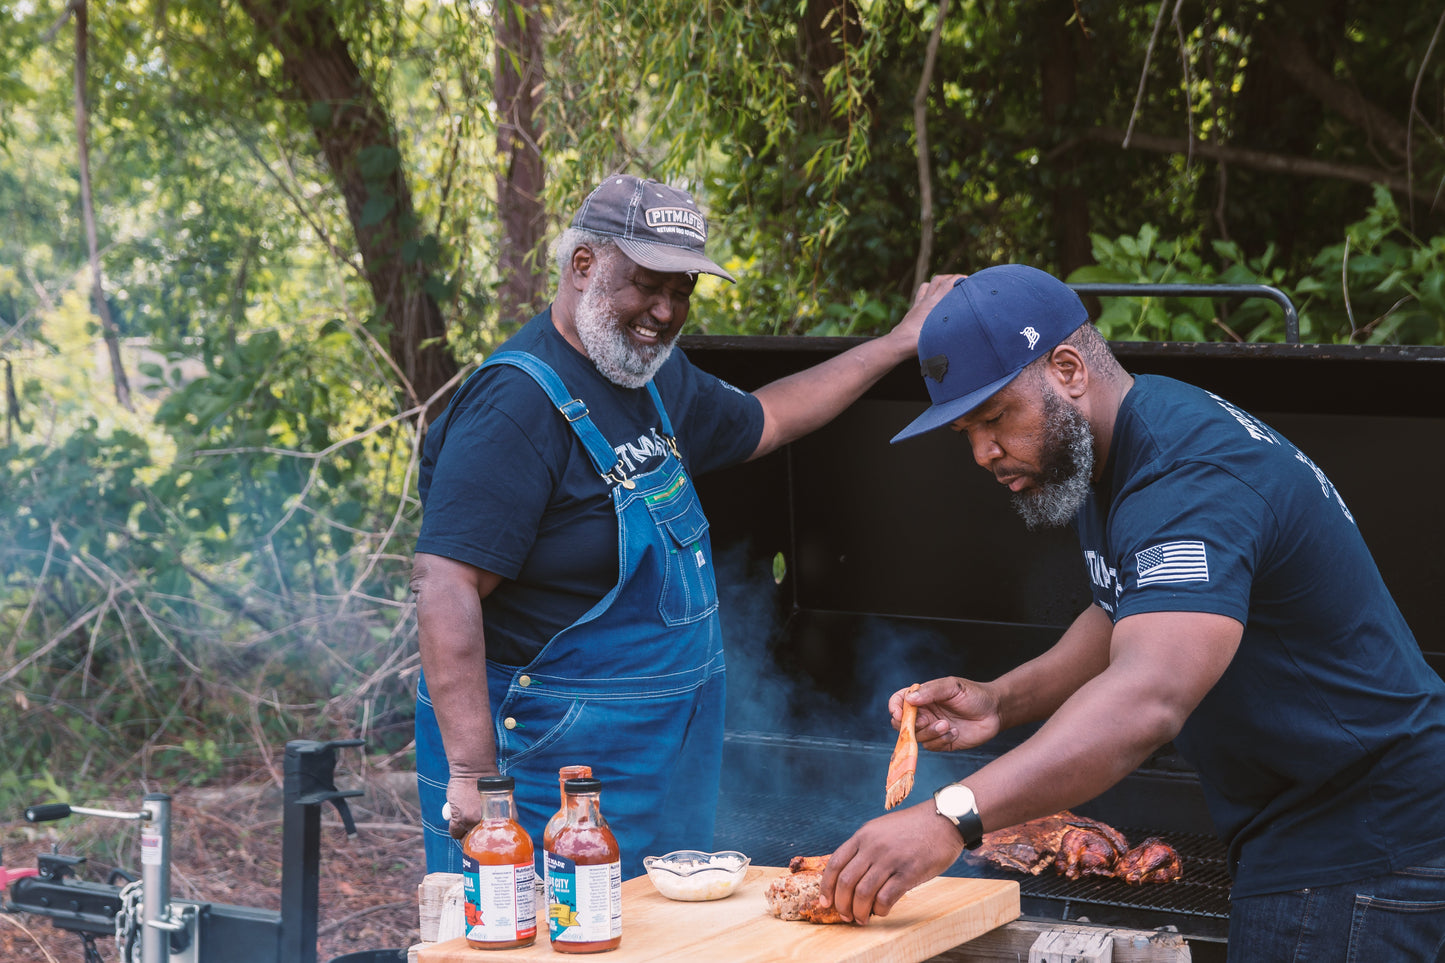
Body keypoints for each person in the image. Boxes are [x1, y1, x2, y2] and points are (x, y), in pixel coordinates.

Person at [819, 264, 1445, 960]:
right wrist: (1001, 699)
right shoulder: (1125, 441)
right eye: (966, 429)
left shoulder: (1185, 476)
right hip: (1325, 830)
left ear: (1067, 368)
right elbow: (1123, 606)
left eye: (994, 417)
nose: (980, 452)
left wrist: (947, 818)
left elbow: (1147, 696)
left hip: (1362, 840)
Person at [411, 173, 962, 878]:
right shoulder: (516, 405)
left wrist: (894, 344)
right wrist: (472, 775)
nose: (664, 311)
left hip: (661, 757)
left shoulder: (649, 378)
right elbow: (444, 584)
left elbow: (769, 417)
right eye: (646, 284)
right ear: (583, 266)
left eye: (682, 292)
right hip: (546, 766)